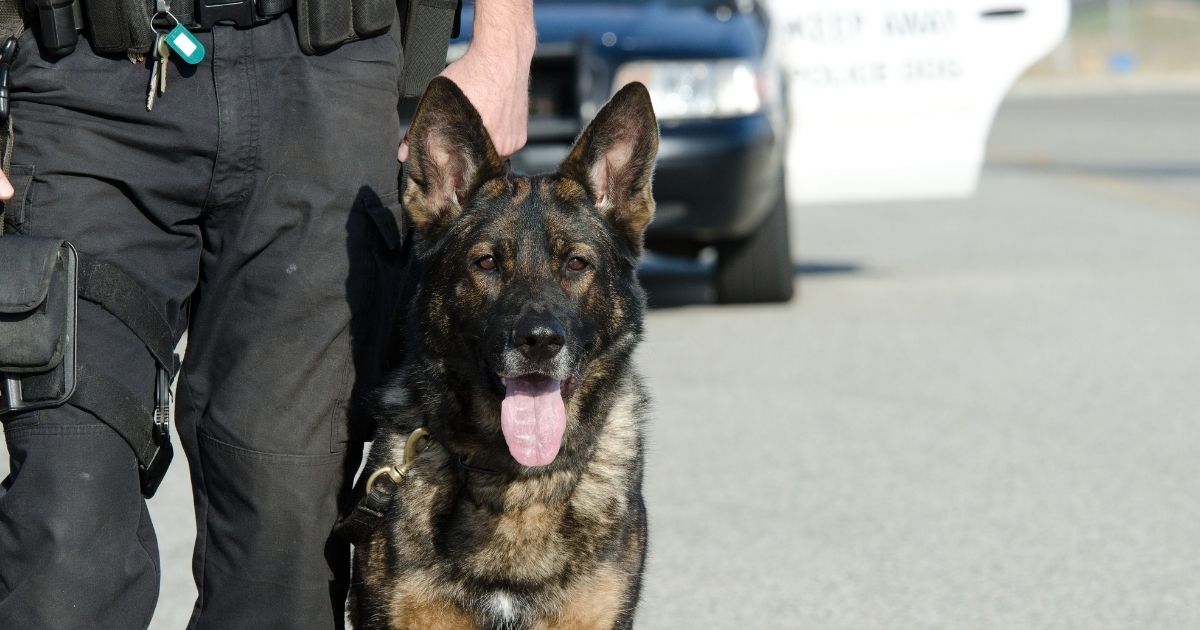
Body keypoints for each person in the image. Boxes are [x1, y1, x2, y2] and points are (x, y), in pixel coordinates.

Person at [0, 0, 534, 628]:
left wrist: (506, 31)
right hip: (83, 82)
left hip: (327, 72)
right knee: (65, 529)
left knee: (283, 545)